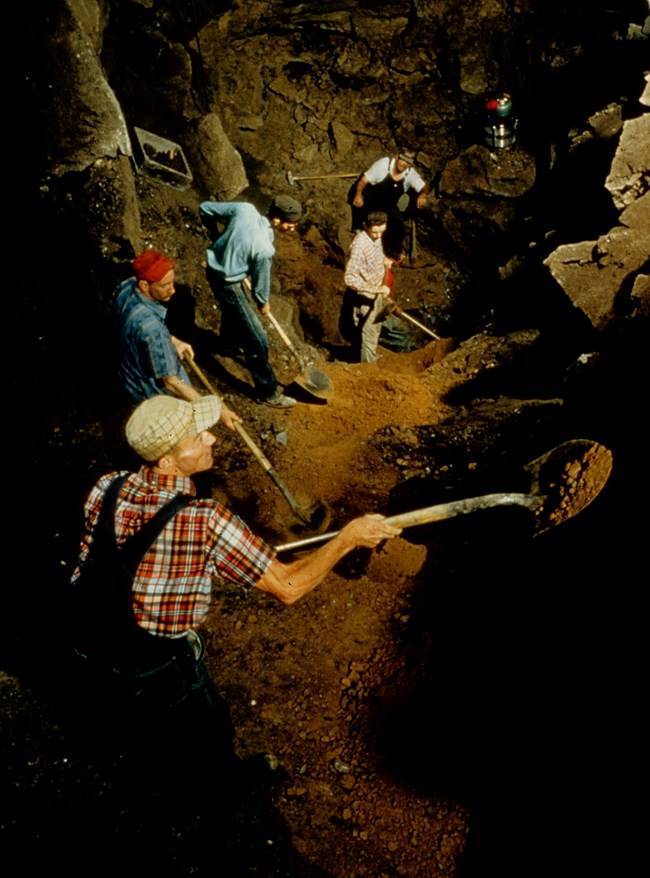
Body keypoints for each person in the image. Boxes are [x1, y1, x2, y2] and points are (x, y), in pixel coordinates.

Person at [69, 393, 401, 807]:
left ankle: (145, 774)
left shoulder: (108, 485)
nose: (210, 438)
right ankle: (217, 790)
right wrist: (348, 539)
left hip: (88, 641)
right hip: (153, 663)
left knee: (133, 726)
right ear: (168, 462)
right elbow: (288, 587)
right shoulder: (204, 519)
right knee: (206, 727)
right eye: (196, 437)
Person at [113, 248, 239, 429]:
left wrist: (174, 341)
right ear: (144, 286)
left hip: (129, 378)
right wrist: (217, 410)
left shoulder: (125, 288)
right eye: (165, 285)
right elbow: (171, 383)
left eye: (172, 283)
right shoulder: (152, 329)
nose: (172, 291)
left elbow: (139, 329)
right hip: (151, 394)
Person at [199, 196, 304, 409]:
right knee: (257, 340)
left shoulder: (244, 209)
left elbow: (205, 209)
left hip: (213, 270)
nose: (292, 229)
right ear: (276, 220)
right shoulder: (264, 248)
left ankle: (227, 346)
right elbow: (260, 283)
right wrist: (262, 302)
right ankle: (268, 393)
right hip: (229, 282)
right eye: (290, 225)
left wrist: (215, 235)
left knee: (234, 311)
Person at [349, 148, 430, 258]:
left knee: (398, 229)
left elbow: (425, 187)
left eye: (408, 162)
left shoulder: (410, 174)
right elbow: (363, 181)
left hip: (388, 205)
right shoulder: (383, 165)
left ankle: (390, 252)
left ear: (410, 165)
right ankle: (357, 234)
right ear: (397, 157)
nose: (404, 163)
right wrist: (358, 195)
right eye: (402, 159)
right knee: (364, 214)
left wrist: (423, 194)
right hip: (370, 200)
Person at [342, 211, 393, 363]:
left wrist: (384, 260)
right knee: (370, 336)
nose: (378, 236)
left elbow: (373, 255)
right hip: (366, 296)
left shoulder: (376, 238)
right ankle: (368, 372)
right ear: (366, 227)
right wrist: (376, 290)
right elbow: (349, 278)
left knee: (373, 332)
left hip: (377, 293)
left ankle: (364, 360)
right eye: (375, 232)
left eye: (382, 231)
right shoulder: (360, 245)